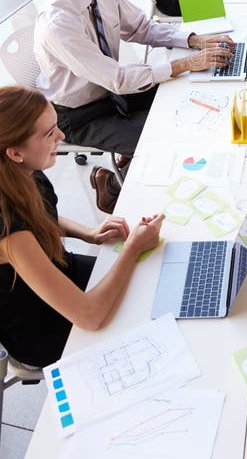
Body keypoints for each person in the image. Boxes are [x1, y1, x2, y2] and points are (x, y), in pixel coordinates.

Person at [34, 0, 234, 210]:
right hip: (80, 114)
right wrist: (186, 63)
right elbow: (119, 79)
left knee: (189, 99)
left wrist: (193, 39)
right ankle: (111, 187)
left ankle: (125, 157)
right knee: (158, 143)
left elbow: (142, 27)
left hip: (111, 91)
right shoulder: (59, 24)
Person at [0, 86, 165, 367]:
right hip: (45, 327)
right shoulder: (11, 235)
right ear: (15, 153)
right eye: (49, 133)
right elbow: (89, 316)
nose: (62, 136)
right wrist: (133, 248)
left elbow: (40, 217)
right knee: (148, 321)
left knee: (151, 283)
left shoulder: (22, 170)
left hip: (60, 269)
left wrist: (87, 233)